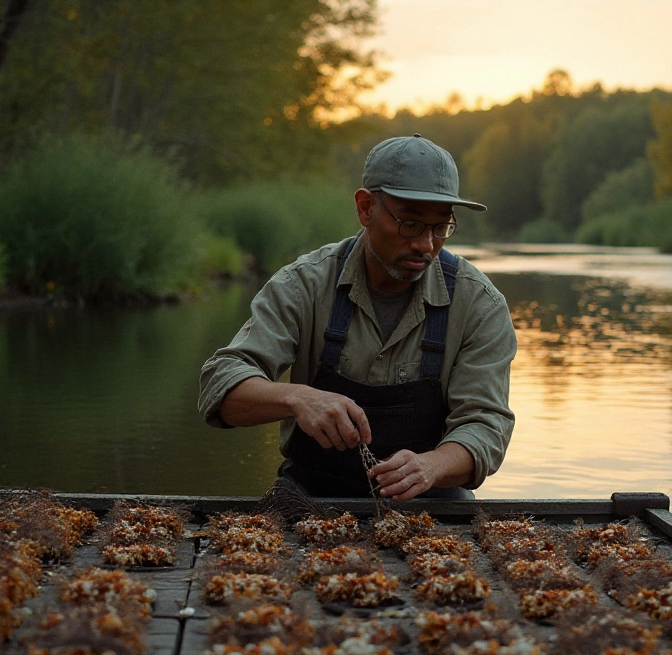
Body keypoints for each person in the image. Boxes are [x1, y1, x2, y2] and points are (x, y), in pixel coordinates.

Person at [197, 134, 516, 501]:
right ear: (366, 208)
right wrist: (297, 398)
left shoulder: (480, 304)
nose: (426, 244)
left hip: (433, 506)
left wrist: (432, 466)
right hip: (309, 499)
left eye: (440, 227)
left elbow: (487, 426)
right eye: (410, 224)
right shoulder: (304, 285)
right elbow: (219, 387)